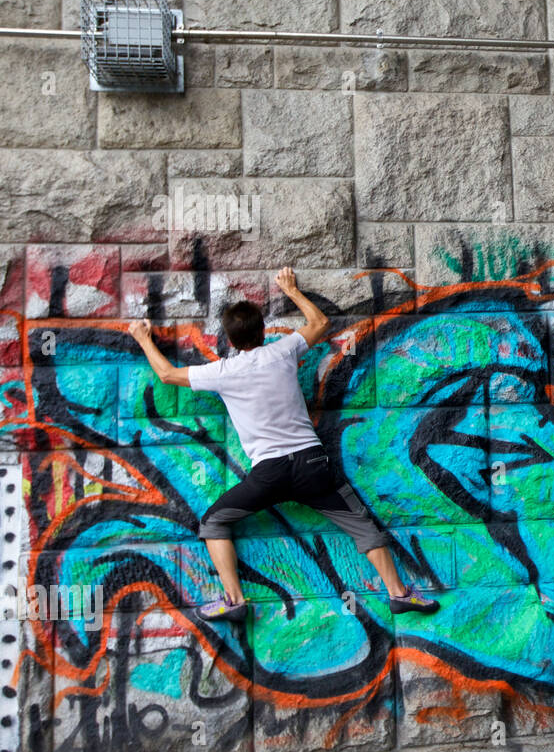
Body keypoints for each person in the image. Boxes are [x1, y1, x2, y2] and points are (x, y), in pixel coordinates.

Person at [127, 266, 439, 623]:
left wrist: (143, 338)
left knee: (213, 522)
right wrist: (291, 289)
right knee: (363, 527)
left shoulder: (223, 372)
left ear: (229, 340)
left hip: (270, 474)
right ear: (263, 331)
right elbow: (320, 323)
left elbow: (167, 374)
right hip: (313, 467)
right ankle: (399, 594)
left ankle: (234, 601)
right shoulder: (283, 351)